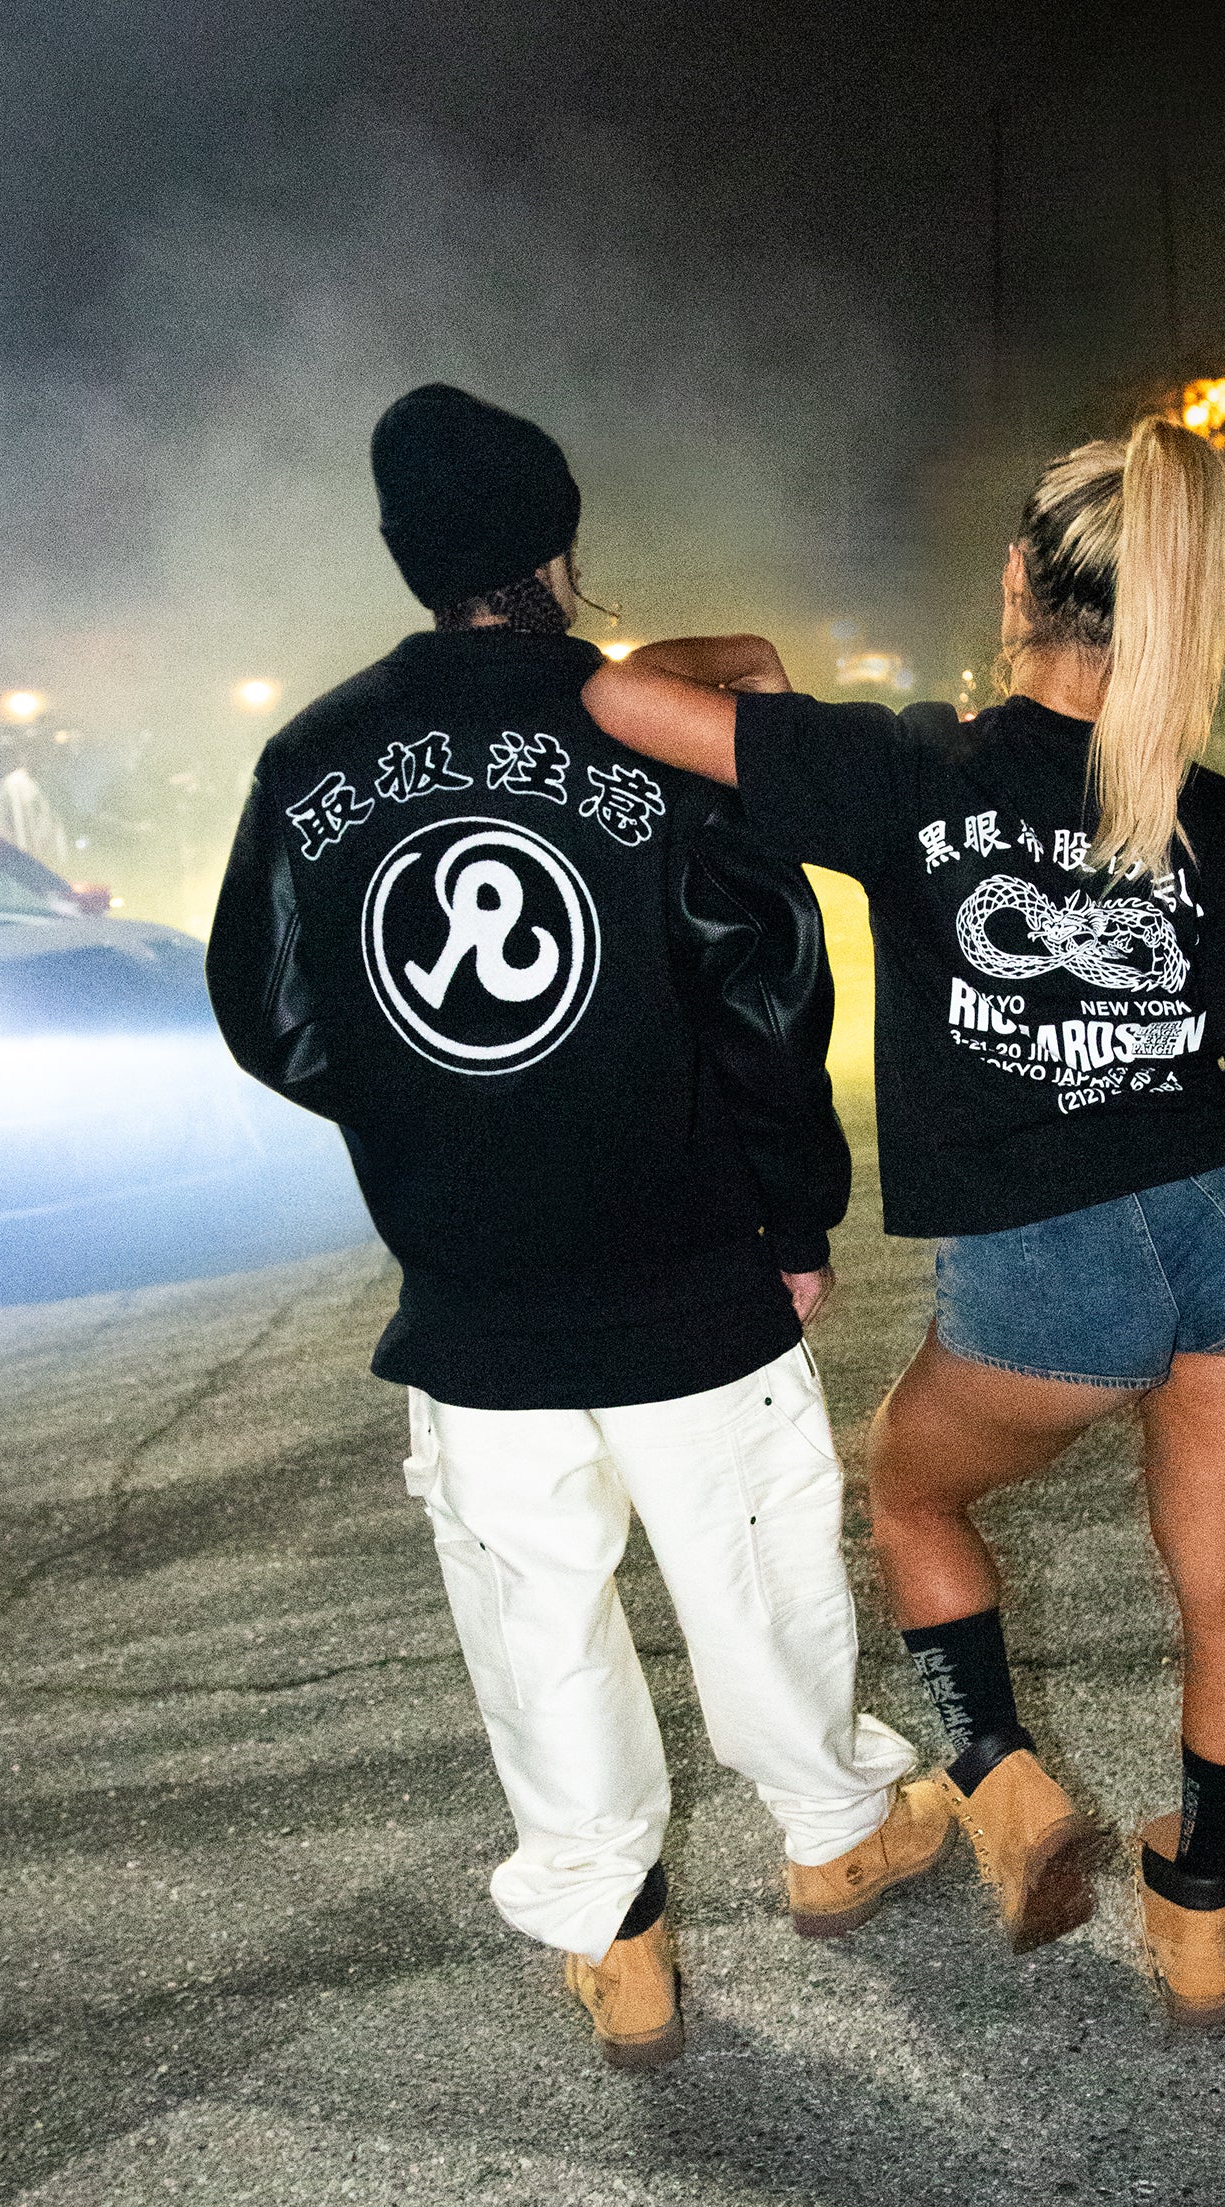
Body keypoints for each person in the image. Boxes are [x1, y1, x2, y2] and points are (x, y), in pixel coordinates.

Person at [582, 416, 1225, 2025]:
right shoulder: (1212, 813)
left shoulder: (912, 770)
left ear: (1023, 579)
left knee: (912, 1495)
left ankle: (1001, 1778)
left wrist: (743, 661)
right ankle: (1199, 1918)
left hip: (1052, 1262)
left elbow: (614, 698)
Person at [206, 386, 943, 2072]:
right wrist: (797, 1216)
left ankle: (620, 1945)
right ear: (558, 545)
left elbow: (269, 1008)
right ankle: (837, 1839)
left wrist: (433, 1108)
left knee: (534, 1622)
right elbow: (766, 993)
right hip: (688, 1260)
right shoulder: (650, 727)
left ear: (407, 559)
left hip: (472, 1292)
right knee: (754, 1570)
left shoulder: (311, 755)